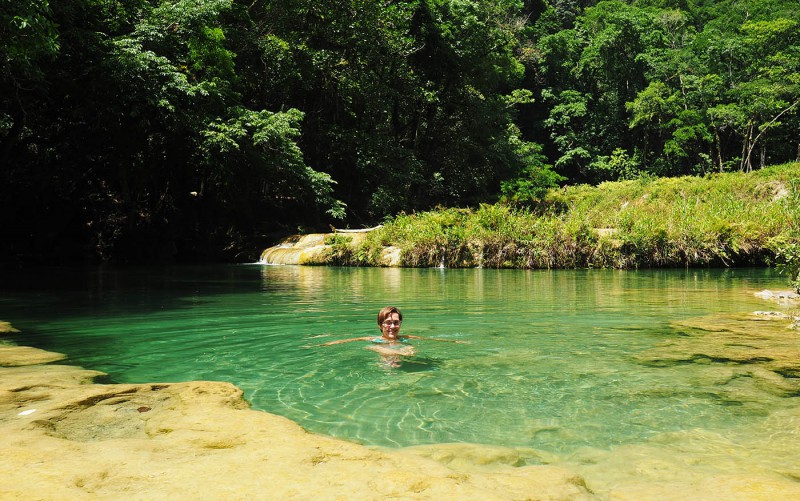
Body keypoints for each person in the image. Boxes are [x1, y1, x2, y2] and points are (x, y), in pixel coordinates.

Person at [320, 306, 465, 367]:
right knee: (385, 350)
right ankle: (391, 361)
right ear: (380, 325)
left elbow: (430, 339)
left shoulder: (405, 337)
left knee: (408, 350)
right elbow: (350, 340)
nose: (392, 326)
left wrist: (454, 341)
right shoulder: (373, 339)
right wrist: (327, 344)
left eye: (396, 322)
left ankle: (395, 360)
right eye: (388, 323)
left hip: (401, 350)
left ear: (400, 324)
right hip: (383, 348)